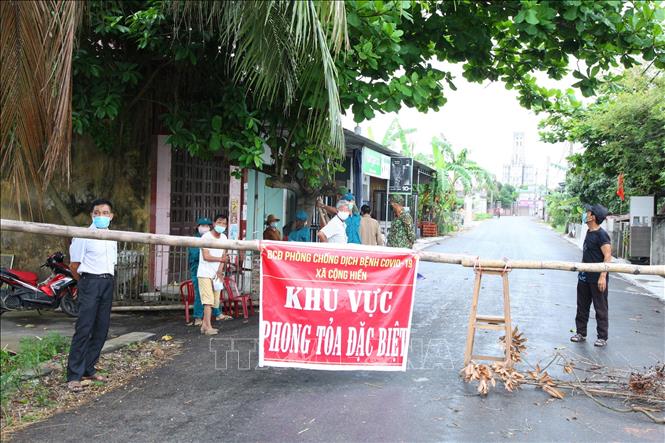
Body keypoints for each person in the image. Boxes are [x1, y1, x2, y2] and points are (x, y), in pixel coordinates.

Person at [66, 198, 118, 392]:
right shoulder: (83, 235)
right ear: (92, 215)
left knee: (101, 328)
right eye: (97, 213)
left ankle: (89, 368)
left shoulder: (113, 236)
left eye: (105, 213)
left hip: (107, 282)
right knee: (84, 328)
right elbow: (74, 265)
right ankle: (74, 375)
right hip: (89, 281)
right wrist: (85, 284)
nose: (101, 216)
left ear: (111, 216)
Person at [571, 204, 612, 347]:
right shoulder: (589, 232)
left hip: (597, 278)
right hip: (584, 277)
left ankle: (602, 337)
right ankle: (581, 333)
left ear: (593, 216)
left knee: (600, 307)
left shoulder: (602, 234)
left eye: (587, 212)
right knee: (582, 306)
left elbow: (607, 256)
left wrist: (603, 276)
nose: (585, 214)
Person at [188, 217, 229, 326]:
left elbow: (223, 254)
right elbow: (200, 256)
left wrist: (220, 269)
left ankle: (217, 313)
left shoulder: (222, 237)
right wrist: (217, 258)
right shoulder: (197, 239)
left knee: (215, 294)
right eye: (202, 226)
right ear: (198, 227)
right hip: (199, 268)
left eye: (207, 226)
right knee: (202, 295)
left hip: (215, 270)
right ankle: (198, 317)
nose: (205, 228)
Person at [198, 213, 230, 335]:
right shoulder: (205, 237)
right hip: (205, 273)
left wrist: (220, 270)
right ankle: (208, 327)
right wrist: (222, 261)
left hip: (216, 274)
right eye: (219, 222)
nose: (221, 225)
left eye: (224, 223)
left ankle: (204, 326)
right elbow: (206, 256)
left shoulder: (224, 238)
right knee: (208, 301)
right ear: (214, 223)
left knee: (214, 302)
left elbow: (224, 255)